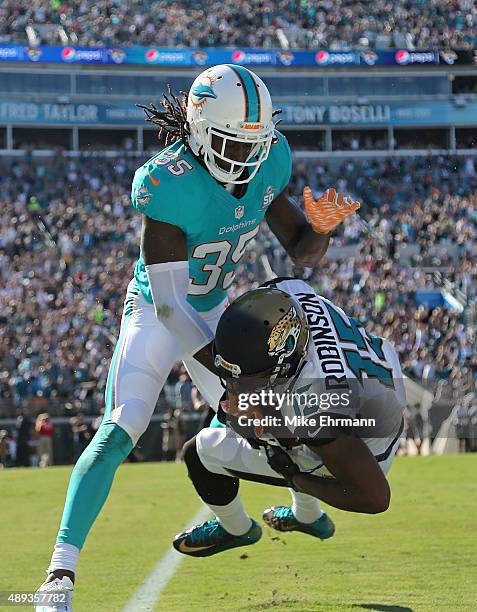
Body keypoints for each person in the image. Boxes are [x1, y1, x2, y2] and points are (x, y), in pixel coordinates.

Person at [36, 64, 359, 609]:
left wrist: (322, 228)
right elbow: (169, 306)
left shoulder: (268, 161)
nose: (247, 157)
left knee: (276, 421)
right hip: (159, 314)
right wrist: (228, 369)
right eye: (234, 142)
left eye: (256, 142)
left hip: (216, 313)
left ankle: (302, 513)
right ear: (202, 130)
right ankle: (59, 575)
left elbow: (300, 251)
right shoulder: (167, 183)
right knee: (120, 429)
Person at [173, 279, 405, 557]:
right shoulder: (289, 294)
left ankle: (236, 528)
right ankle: (308, 517)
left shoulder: (317, 405)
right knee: (275, 430)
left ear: (284, 363)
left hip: (366, 451)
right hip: (377, 391)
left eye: (246, 380)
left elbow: (375, 497)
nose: (234, 387)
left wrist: (296, 478)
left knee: (199, 453)